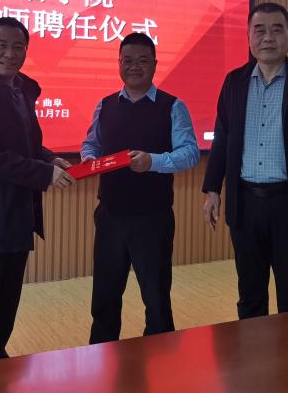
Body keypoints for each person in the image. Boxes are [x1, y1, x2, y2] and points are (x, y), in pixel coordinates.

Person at [202, 2, 288, 319]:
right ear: (249, 36)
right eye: (259, 30)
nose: (268, 37)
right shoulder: (234, 82)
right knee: (250, 296)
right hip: (245, 204)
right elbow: (223, 137)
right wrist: (212, 189)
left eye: (277, 29)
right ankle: (253, 351)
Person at [0, 16, 75, 367]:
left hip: (19, 213)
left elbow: (25, 144)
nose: (10, 53)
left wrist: (49, 158)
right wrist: (43, 173)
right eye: (1, 45)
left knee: (6, 301)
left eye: (18, 46)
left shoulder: (22, 89)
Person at [80, 32, 199, 343]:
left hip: (153, 218)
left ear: (155, 64)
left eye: (143, 61)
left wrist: (153, 162)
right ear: (119, 63)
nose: (134, 66)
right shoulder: (105, 105)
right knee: (104, 299)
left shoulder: (173, 106)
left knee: (156, 300)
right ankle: (102, 359)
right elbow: (91, 144)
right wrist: (90, 160)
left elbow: (190, 153)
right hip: (110, 216)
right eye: (128, 60)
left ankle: (160, 363)